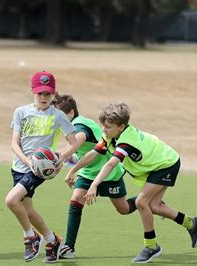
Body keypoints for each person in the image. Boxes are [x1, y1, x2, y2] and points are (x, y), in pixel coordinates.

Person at [83, 102, 197, 264]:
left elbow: (111, 164)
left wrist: (94, 185)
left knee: (141, 202)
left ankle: (151, 246)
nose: (104, 130)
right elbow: (96, 152)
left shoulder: (127, 141)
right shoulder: (111, 135)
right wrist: (71, 168)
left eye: (108, 127)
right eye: (103, 126)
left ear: (121, 127)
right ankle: (191, 223)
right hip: (153, 167)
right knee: (153, 206)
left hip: (166, 163)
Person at [5, 71, 80, 263]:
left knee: (11, 201)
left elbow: (75, 142)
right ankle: (52, 240)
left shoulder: (58, 115)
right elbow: (14, 143)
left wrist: (60, 158)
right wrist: (26, 160)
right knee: (27, 209)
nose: (44, 97)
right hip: (20, 166)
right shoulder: (21, 112)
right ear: (32, 91)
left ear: (53, 93)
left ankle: (31, 237)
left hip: (40, 169)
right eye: (40, 93)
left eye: (48, 93)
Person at [52, 94, 138, 259]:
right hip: (88, 172)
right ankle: (69, 247)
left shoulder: (79, 125)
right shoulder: (72, 125)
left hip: (109, 173)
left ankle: (146, 201)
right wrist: (72, 170)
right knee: (76, 199)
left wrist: (58, 159)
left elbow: (80, 139)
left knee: (124, 209)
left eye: (59, 115)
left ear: (70, 112)